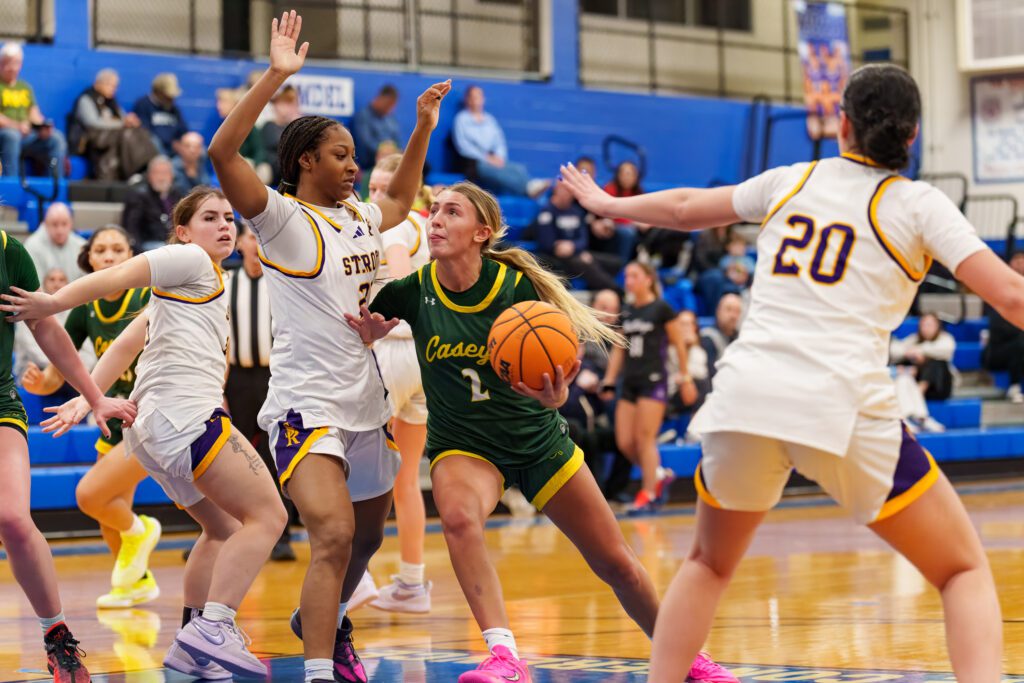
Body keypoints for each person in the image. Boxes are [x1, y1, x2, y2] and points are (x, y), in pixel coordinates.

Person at [560, 63, 1006, 682]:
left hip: (746, 397)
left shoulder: (792, 180)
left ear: (842, 123)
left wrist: (607, 202)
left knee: (707, 566)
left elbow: (687, 207)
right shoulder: (919, 203)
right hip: (840, 403)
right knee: (961, 571)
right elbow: (1009, 296)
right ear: (913, 136)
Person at [351, 181, 734, 683]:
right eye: (434, 211)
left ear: (481, 233)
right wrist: (372, 331)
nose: (436, 219)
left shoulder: (515, 288)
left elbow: (554, 368)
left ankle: (685, 659)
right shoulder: (414, 289)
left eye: (451, 212)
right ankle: (504, 655)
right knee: (461, 521)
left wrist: (554, 395)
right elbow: (363, 319)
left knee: (616, 562)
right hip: (466, 447)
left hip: (538, 441)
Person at [207, 11, 451, 683]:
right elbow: (222, 155)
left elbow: (399, 199)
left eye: (354, 156)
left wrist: (424, 126)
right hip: (305, 407)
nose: (352, 166)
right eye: (341, 155)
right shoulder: (284, 220)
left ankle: (320, 618)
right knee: (334, 536)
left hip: (365, 402)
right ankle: (320, 669)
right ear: (305, 160)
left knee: (366, 538)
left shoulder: (355, 215)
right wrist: (276, 76)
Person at [4, 187, 288, 680]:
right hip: (184, 419)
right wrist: (54, 299)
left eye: (229, 218)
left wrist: (84, 397)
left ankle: (193, 643)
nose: (225, 225)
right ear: (182, 231)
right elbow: (118, 275)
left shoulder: (198, 282)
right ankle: (215, 627)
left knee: (221, 530)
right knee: (269, 515)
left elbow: (128, 342)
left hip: (152, 430)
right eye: (209, 217)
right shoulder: (190, 259)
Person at [0, 228, 136, 681]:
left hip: (2, 404)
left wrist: (95, 397)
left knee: (14, 519)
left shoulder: (10, 252)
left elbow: (47, 327)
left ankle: (56, 634)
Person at [20, 225, 160, 609]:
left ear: (131, 255)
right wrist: (42, 385)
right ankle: (136, 581)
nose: (111, 256)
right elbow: (57, 370)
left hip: (149, 415)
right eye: (102, 250)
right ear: (90, 259)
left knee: (96, 497)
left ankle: (143, 531)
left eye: (118, 248)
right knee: (109, 509)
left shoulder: (147, 296)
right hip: (112, 417)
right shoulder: (85, 308)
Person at [356, 152, 434, 613]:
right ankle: (411, 583)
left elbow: (399, 269)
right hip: (423, 358)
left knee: (343, 464)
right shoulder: (429, 225)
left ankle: (357, 574)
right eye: (374, 189)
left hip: (391, 350)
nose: (379, 197)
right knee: (405, 480)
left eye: (387, 189)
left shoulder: (394, 227)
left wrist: (401, 300)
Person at [224, 219, 295, 561]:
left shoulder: (282, 284)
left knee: (276, 456)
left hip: (276, 378)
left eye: (261, 237)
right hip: (235, 379)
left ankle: (281, 535)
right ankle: (228, 531)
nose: (256, 244)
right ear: (240, 244)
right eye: (251, 237)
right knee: (228, 459)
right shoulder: (226, 283)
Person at [598, 262, 687, 514]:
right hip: (630, 381)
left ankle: (648, 493)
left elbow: (678, 343)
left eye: (634, 275)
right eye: (626, 276)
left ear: (648, 279)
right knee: (625, 442)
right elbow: (618, 349)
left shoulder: (662, 308)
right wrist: (609, 380)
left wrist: (685, 375)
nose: (629, 280)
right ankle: (657, 474)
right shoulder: (627, 312)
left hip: (654, 380)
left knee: (644, 439)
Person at [451, 85, 546, 197]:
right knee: (497, 172)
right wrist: (486, 158)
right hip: (475, 162)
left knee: (517, 169)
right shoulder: (461, 119)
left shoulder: (490, 120)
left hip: (493, 158)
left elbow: (499, 141)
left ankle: (530, 184)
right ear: (467, 99)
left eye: (479, 96)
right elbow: (463, 146)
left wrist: (499, 157)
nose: (476, 100)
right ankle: (528, 189)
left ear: (483, 99)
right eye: (473, 97)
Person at [68, 68, 157, 181]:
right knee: (126, 134)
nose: (113, 89)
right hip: (91, 138)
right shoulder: (86, 99)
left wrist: (130, 121)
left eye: (115, 86)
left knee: (140, 132)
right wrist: (122, 123)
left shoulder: (112, 102)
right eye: (110, 85)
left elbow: (122, 118)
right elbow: (92, 123)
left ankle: (149, 168)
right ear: (98, 83)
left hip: (112, 136)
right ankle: (135, 172)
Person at [531, 180, 620, 291]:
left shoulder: (576, 212)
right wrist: (560, 247)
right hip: (555, 256)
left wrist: (574, 247)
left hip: (576, 252)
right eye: (564, 189)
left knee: (616, 263)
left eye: (569, 190)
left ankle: (596, 290)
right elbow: (546, 242)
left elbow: (583, 239)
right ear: (556, 189)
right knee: (584, 263)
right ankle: (616, 291)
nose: (567, 194)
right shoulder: (546, 212)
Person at [0, 42, 66, 177]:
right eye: (8, 63)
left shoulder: (25, 87)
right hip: (5, 135)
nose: (12, 68)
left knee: (56, 138)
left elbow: (34, 114)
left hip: (26, 136)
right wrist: (17, 126)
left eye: (16, 63)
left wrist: (41, 126)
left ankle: (54, 185)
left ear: (20, 65)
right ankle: (11, 184)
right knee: (11, 136)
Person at [891, 312, 955, 433]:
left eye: (930, 325)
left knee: (935, 363)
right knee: (904, 375)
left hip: (939, 386)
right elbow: (894, 350)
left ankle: (917, 399)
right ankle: (921, 417)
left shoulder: (946, 338)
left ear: (937, 326)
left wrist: (920, 352)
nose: (927, 328)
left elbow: (946, 350)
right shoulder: (913, 339)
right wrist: (908, 353)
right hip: (915, 385)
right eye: (924, 324)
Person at [983, 250, 1024, 403]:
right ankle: (1014, 386)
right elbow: (997, 327)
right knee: (1021, 340)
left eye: (1023, 260)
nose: (1020, 264)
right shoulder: (1000, 289)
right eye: (1016, 260)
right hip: (999, 348)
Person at [122, 156, 185, 251]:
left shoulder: (177, 195)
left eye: (165, 173)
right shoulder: (138, 196)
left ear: (172, 176)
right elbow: (131, 230)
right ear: (149, 176)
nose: (161, 177)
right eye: (157, 173)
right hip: (148, 245)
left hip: (173, 244)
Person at [24, 203, 86, 282]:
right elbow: (32, 285)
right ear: (45, 224)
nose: (60, 231)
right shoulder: (31, 246)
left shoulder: (81, 246)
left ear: (71, 223)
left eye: (64, 224)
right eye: (54, 224)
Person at [132, 73, 189, 155]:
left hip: (175, 153)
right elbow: (145, 132)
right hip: (153, 153)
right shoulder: (143, 104)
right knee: (154, 142)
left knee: (197, 147)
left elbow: (184, 131)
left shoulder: (174, 109)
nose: (171, 99)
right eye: (168, 96)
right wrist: (169, 142)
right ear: (158, 92)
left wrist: (182, 142)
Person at [352, 84, 401, 171]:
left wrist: (396, 152)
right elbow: (366, 143)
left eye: (392, 105)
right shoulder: (363, 116)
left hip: (390, 162)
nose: (390, 108)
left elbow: (397, 142)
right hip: (369, 166)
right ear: (380, 98)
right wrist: (386, 151)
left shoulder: (390, 119)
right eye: (388, 104)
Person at [699, 292, 742, 378]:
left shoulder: (741, 338)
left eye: (737, 311)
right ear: (718, 311)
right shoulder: (708, 337)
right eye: (729, 309)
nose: (733, 316)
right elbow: (711, 374)